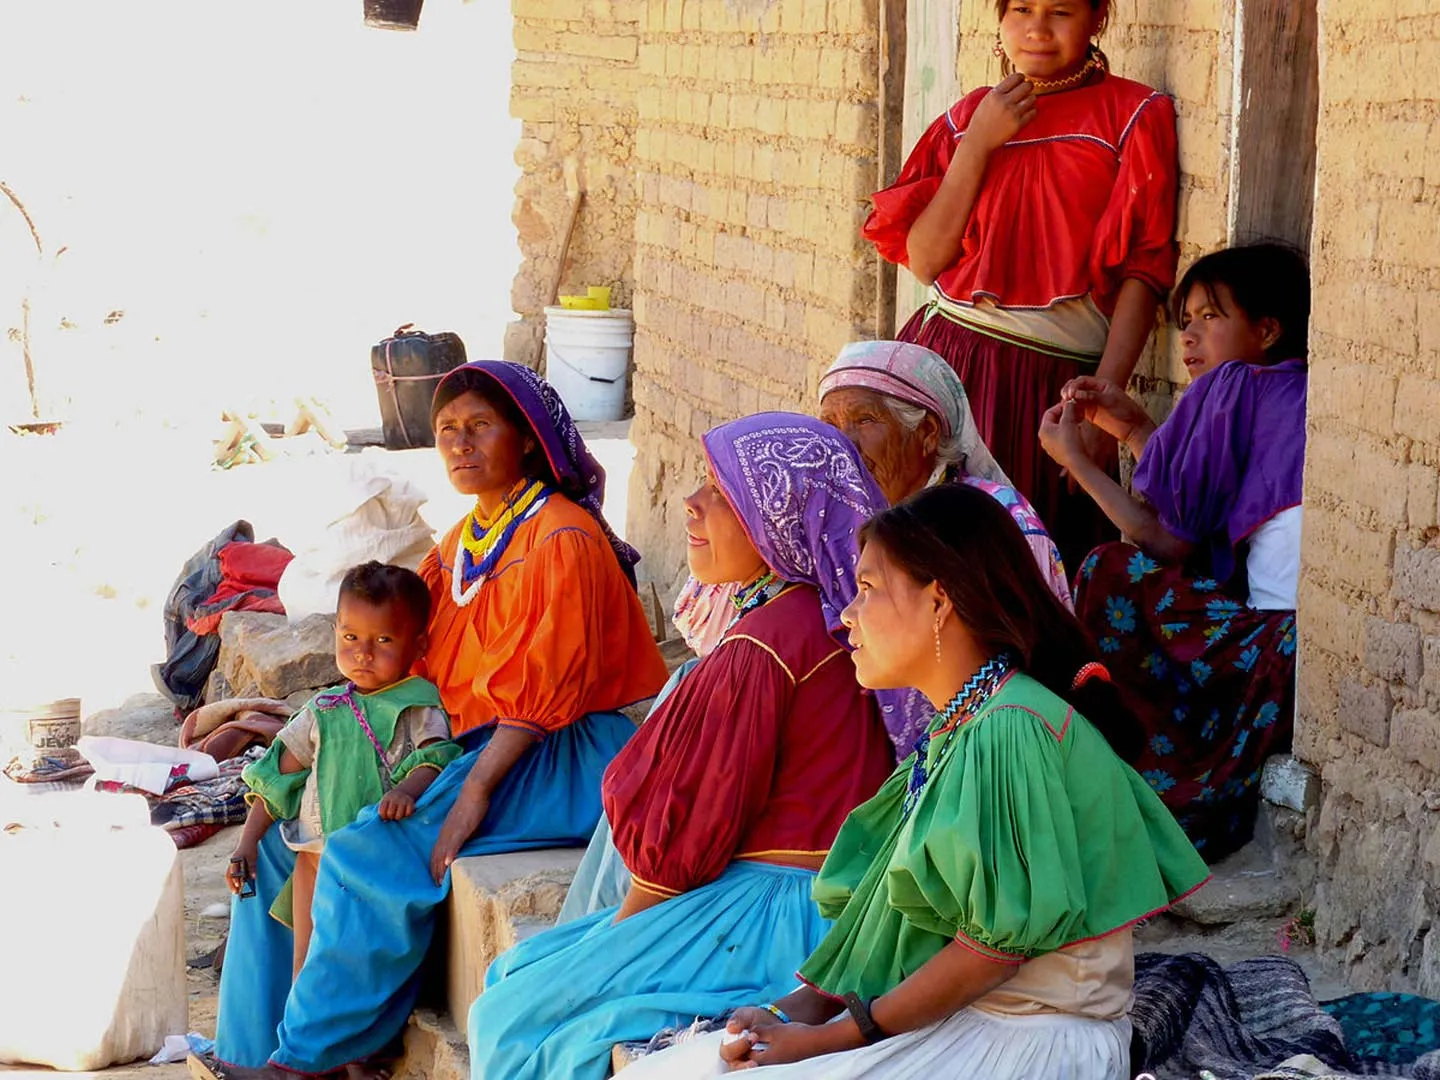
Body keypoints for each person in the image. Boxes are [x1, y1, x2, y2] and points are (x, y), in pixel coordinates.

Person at [625, 483, 1208, 1079]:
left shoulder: (1009, 728)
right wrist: (786, 1013)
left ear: (940, 603)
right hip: (976, 1026)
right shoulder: (959, 729)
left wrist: (829, 1041)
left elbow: (992, 952)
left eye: (870, 588)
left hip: (1029, 1045)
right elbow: (896, 929)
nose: (848, 613)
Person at [213, 360, 668, 1079]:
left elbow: (537, 701)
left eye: (479, 426)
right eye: (447, 430)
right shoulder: (464, 542)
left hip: (555, 755)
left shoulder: (562, 538)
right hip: (469, 743)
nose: (460, 444)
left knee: (371, 848)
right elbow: (401, 667)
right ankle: (250, 1050)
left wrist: (470, 795)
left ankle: (304, 1062)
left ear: (524, 438)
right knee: (284, 841)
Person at [467, 414, 897, 1080]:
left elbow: (678, 845)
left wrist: (619, 941)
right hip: (842, 911)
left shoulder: (763, 645)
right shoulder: (839, 619)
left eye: (723, 493)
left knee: (517, 1009)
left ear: (781, 518)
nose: (691, 503)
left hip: (771, 926)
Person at [863, 0, 1178, 569]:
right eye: (1022, 9)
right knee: (928, 561)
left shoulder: (1132, 114)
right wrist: (979, 142)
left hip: (1050, 384)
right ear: (1000, 18)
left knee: (1029, 565)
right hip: (946, 362)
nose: (1036, 29)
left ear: (1098, 18)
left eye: (1060, 10)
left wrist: (1102, 409)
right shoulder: (968, 119)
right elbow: (925, 259)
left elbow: (1145, 271)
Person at [1038, 243, 1309, 859]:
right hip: (1299, 656)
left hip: (1270, 651)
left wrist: (1078, 460)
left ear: (1266, 330)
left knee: (1109, 570)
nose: (1189, 336)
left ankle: (1120, 755)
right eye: (1183, 320)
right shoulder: (1291, 392)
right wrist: (1135, 430)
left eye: (1210, 317)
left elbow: (1168, 540)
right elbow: (1210, 502)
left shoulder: (1234, 385)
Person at [818, 339, 1069, 755]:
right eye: (830, 424)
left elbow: (1027, 662)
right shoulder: (835, 521)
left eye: (865, 420)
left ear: (928, 432)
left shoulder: (989, 519)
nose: (845, 443)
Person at [227, 562, 461, 980]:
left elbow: (435, 756)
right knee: (306, 964)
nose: (363, 653)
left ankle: (358, 1043)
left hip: (375, 859)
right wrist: (247, 842)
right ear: (335, 631)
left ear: (419, 644)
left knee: (359, 964)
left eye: (383, 640)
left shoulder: (419, 704)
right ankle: (298, 1041)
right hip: (314, 860)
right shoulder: (323, 710)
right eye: (350, 637)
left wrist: (406, 790)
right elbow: (276, 778)